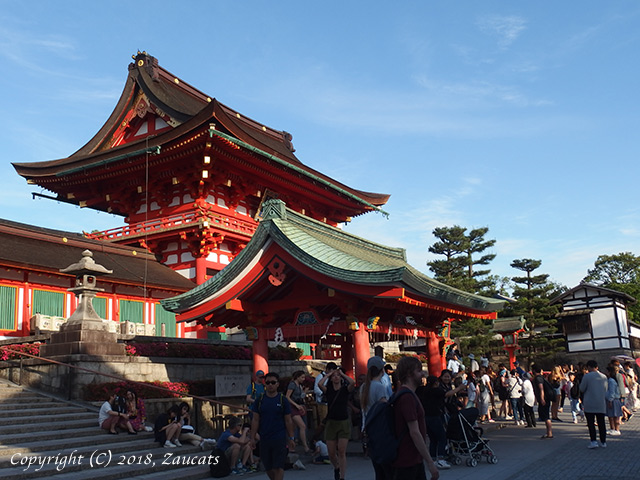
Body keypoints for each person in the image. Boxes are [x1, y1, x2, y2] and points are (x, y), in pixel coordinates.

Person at [392, 356, 439, 480]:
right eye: (418, 371)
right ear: (409, 373)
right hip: (407, 459)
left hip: (412, 458)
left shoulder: (406, 394)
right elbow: (414, 432)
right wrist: (429, 461)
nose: (422, 374)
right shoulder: (407, 397)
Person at [250, 372, 296, 480]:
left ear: (277, 384)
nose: (270, 385)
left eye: (273, 382)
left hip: (279, 438)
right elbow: (255, 419)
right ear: (265, 384)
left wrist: (291, 438)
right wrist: (252, 437)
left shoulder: (282, 399)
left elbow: (288, 420)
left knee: (279, 467)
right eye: (268, 382)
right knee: (268, 467)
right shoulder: (260, 400)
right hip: (264, 438)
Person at [318, 366, 355, 480]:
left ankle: (342, 476)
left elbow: (352, 382)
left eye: (337, 376)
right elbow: (320, 384)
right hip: (331, 422)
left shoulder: (344, 389)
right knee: (331, 453)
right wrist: (328, 375)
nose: (336, 377)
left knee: (342, 451)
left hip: (343, 421)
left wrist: (343, 374)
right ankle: (336, 466)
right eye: (334, 376)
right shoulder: (328, 390)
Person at [580, 359, 608, 448]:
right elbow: (606, 389)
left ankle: (593, 441)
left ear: (588, 367)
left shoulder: (587, 376)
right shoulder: (604, 376)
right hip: (600, 402)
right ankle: (603, 441)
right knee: (601, 423)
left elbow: (582, 388)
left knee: (591, 423)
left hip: (589, 402)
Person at [285, 370, 311, 453]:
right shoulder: (292, 384)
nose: (303, 379)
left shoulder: (299, 385)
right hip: (292, 407)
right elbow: (287, 397)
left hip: (297, 406)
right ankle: (305, 446)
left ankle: (291, 445)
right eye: (302, 377)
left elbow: (300, 396)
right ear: (298, 377)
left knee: (293, 427)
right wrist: (296, 405)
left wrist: (305, 392)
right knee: (302, 426)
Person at [531, 364, 553, 439]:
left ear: (533, 370)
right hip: (546, 398)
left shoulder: (538, 379)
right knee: (545, 415)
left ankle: (549, 433)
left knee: (546, 416)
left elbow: (541, 388)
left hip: (544, 399)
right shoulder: (541, 378)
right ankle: (548, 432)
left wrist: (542, 398)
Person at [314, 362, 337, 428]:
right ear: (327, 369)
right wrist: (325, 394)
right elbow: (316, 389)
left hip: (331, 401)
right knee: (324, 420)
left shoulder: (333, 377)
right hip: (323, 401)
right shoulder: (320, 376)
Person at [605, 365, 622, 436]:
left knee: (614, 416)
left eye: (607, 371)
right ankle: (612, 428)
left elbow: (612, 392)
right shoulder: (610, 380)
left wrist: (610, 400)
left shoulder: (611, 381)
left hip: (613, 400)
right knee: (610, 415)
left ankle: (617, 429)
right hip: (612, 399)